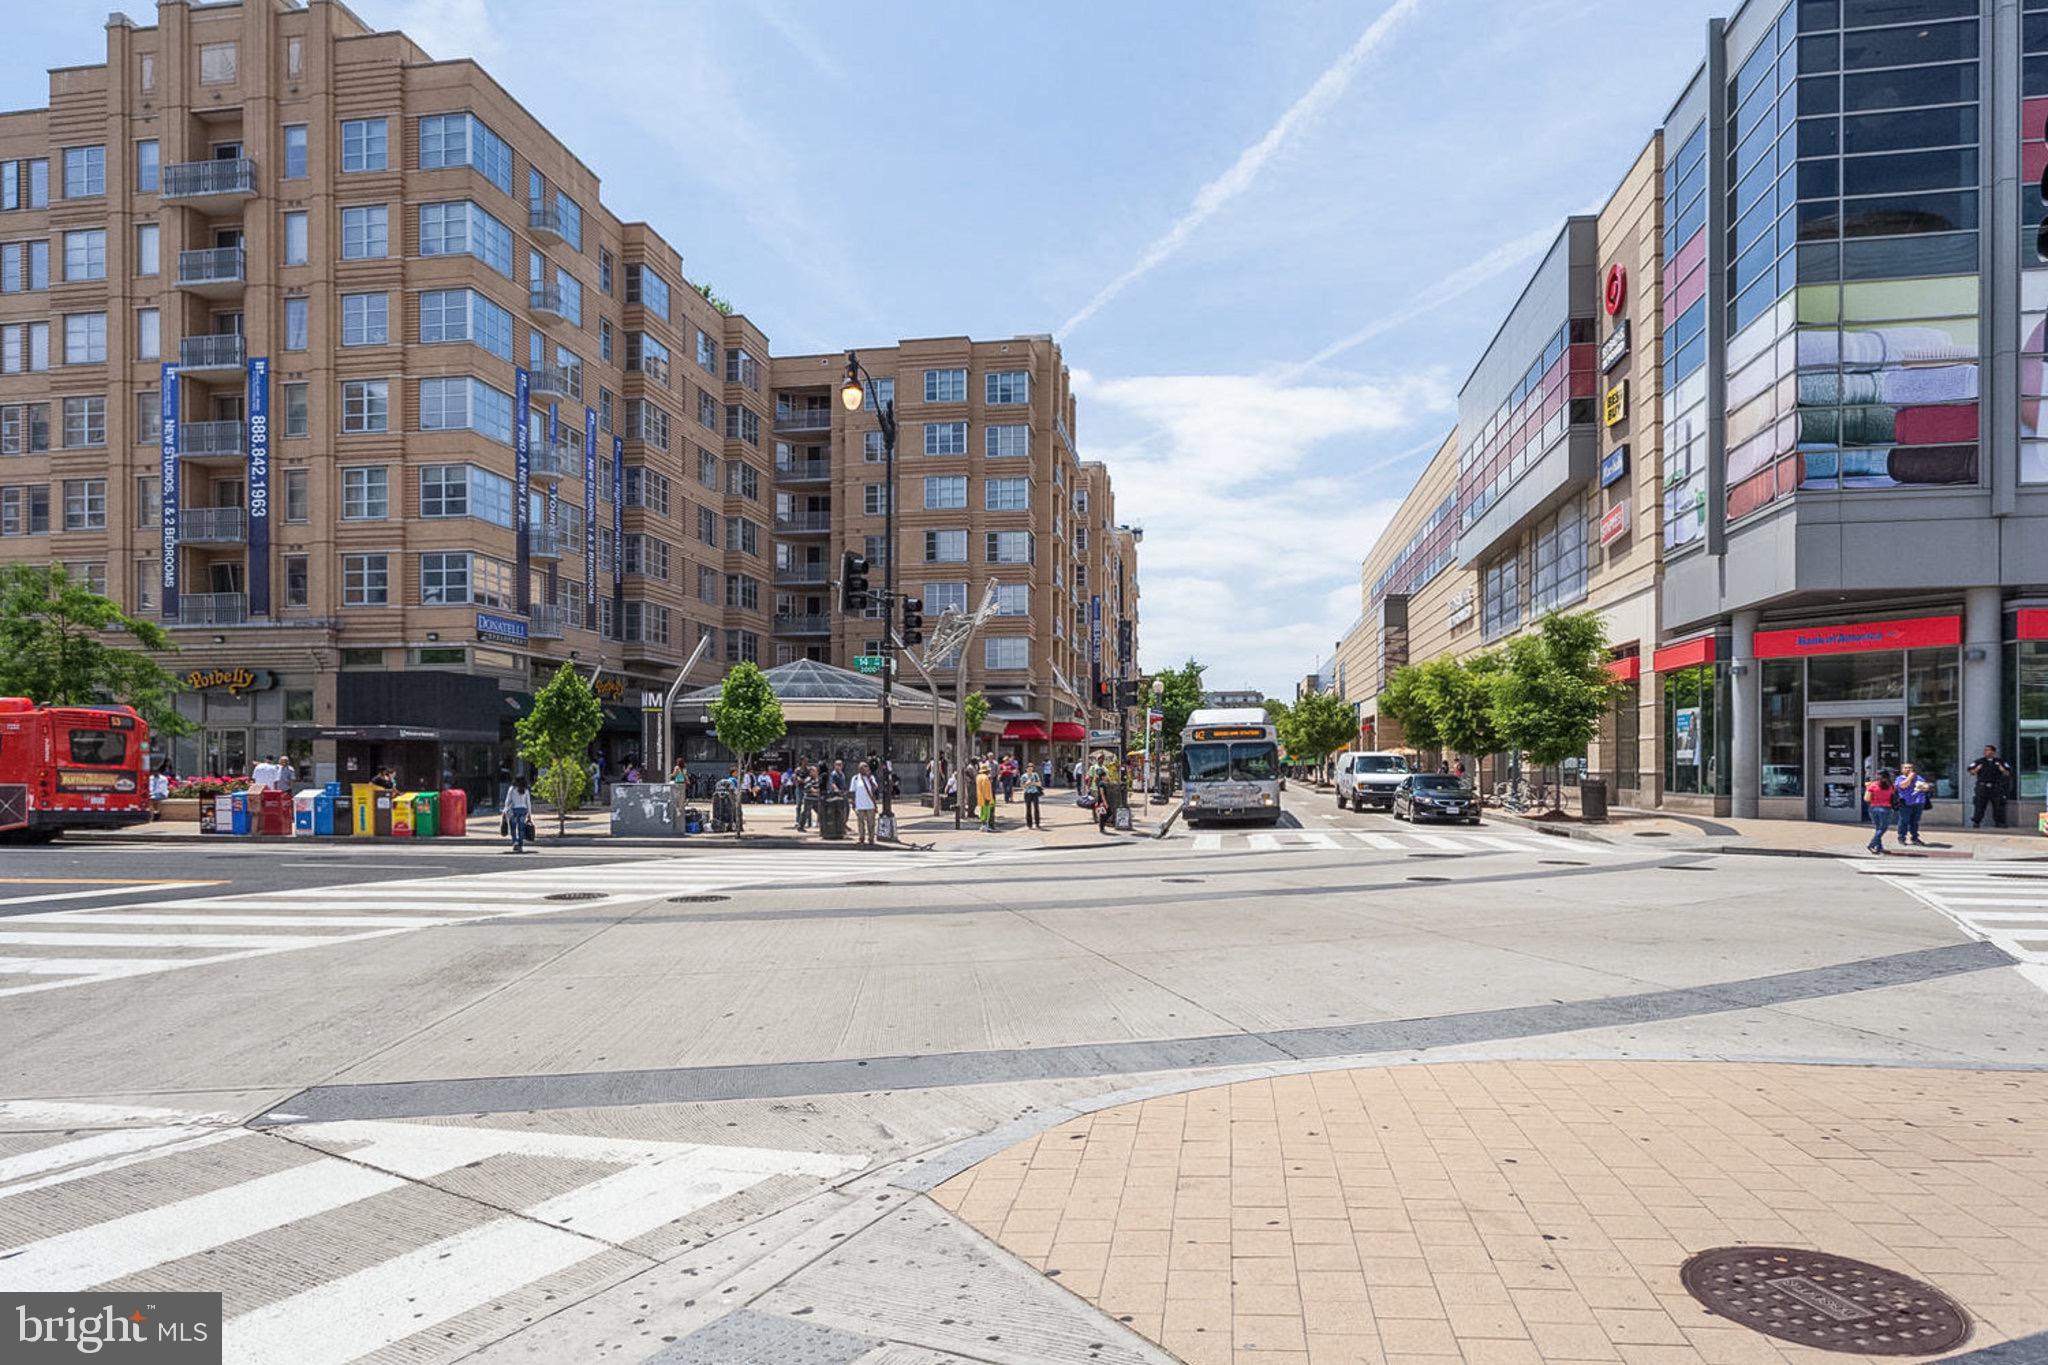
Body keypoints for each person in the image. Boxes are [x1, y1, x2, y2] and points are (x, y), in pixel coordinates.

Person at [1969, 745, 2013, 829]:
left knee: (1998, 804)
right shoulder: (1980, 761)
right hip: (1983, 786)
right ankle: (1976, 821)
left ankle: (1999, 822)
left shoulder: (1999, 762)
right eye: (1985, 750)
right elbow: (1971, 771)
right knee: (1979, 804)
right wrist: (1976, 769)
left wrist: (2002, 769)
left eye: (1988, 750)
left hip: (1996, 786)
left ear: (1993, 752)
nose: (1985, 752)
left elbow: (2007, 773)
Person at [1894, 762, 1931, 847]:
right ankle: (1901, 837)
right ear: (1902, 770)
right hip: (1905, 803)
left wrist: (1924, 787)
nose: (1908, 769)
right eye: (1906, 768)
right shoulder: (1899, 778)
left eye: (1910, 768)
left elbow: (1926, 787)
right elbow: (1903, 786)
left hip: (1918, 802)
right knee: (1904, 821)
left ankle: (1915, 838)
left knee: (1915, 821)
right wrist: (1910, 777)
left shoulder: (1918, 777)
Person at [1864, 767, 1896, 855]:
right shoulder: (1891, 786)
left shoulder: (1873, 785)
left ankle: (1879, 847)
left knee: (1878, 828)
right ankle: (1872, 844)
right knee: (1883, 828)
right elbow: (1892, 797)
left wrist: (1868, 788)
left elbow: (1866, 799)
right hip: (1886, 809)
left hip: (1873, 808)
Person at [851, 761, 880, 845]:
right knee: (860, 823)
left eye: (866, 767)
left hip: (870, 804)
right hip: (860, 805)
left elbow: (875, 787)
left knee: (871, 823)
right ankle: (861, 837)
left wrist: (869, 778)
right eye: (862, 768)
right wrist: (853, 803)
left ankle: (871, 838)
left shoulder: (871, 777)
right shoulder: (855, 778)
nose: (864, 769)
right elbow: (852, 791)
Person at [503, 775, 533, 853]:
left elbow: (508, 800)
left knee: (513, 827)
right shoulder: (525, 790)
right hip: (523, 810)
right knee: (521, 828)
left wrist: (505, 810)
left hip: (514, 810)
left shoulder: (512, 789)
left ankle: (515, 842)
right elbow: (528, 802)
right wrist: (529, 814)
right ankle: (520, 844)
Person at [975, 761, 996, 832]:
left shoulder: (978, 777)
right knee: (986, 813)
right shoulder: (985, 778)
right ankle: (985, 826)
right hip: (986, 798)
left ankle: (982, 825)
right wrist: (988, 798)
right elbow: (986, 789)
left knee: (982, 812)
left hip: (980, 797)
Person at [1022, 762, 1043, 829]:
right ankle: (1029, 824)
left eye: (1031, 768)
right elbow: (1022, 786)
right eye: (1029, 768)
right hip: (1027, 793)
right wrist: (1027, 783)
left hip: (1035, 793)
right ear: (1026, 769)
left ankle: (1037, 823)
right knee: (1028, 809)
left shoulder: (1035, 775)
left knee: (1036, 808)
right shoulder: (1024, 776)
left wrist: (1033, 783)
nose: (1030, 769)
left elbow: (1039, 784)